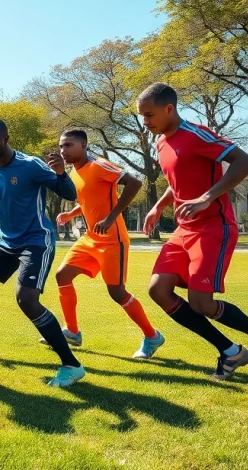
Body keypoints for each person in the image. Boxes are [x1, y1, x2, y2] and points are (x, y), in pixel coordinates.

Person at [138, 82, 248, 381]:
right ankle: (230, 351)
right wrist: (159, 207)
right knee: (158, 290)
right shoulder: (161, 143)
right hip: (183, 230)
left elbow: (245, 162)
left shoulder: (195, 134)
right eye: (142, 116)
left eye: (150, 115)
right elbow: (177, 181)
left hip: (213, 227)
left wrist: (207, 197)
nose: (146, 122)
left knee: (201, 303)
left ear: (169, 109)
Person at [0, 118, 85, 388]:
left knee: (26, 299)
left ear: (5, 139)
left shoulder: (30, 165)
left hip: (36, 240)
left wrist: (61, 174)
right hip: (5, 241)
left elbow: (70, 193)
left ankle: (72, 366)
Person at [51, 129, 164, 358]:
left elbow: (134, 183)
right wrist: (72, 214)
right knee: (62, 276)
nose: (63, 151)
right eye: (61, 146)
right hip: (89, 238)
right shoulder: (74, 172)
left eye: (68, 145)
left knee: (117, 292)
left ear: (83, 146)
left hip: (113, 240)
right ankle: (72, 332)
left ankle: (152, 337)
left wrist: (111, 217)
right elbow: (88, 200)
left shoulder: (99, 165)